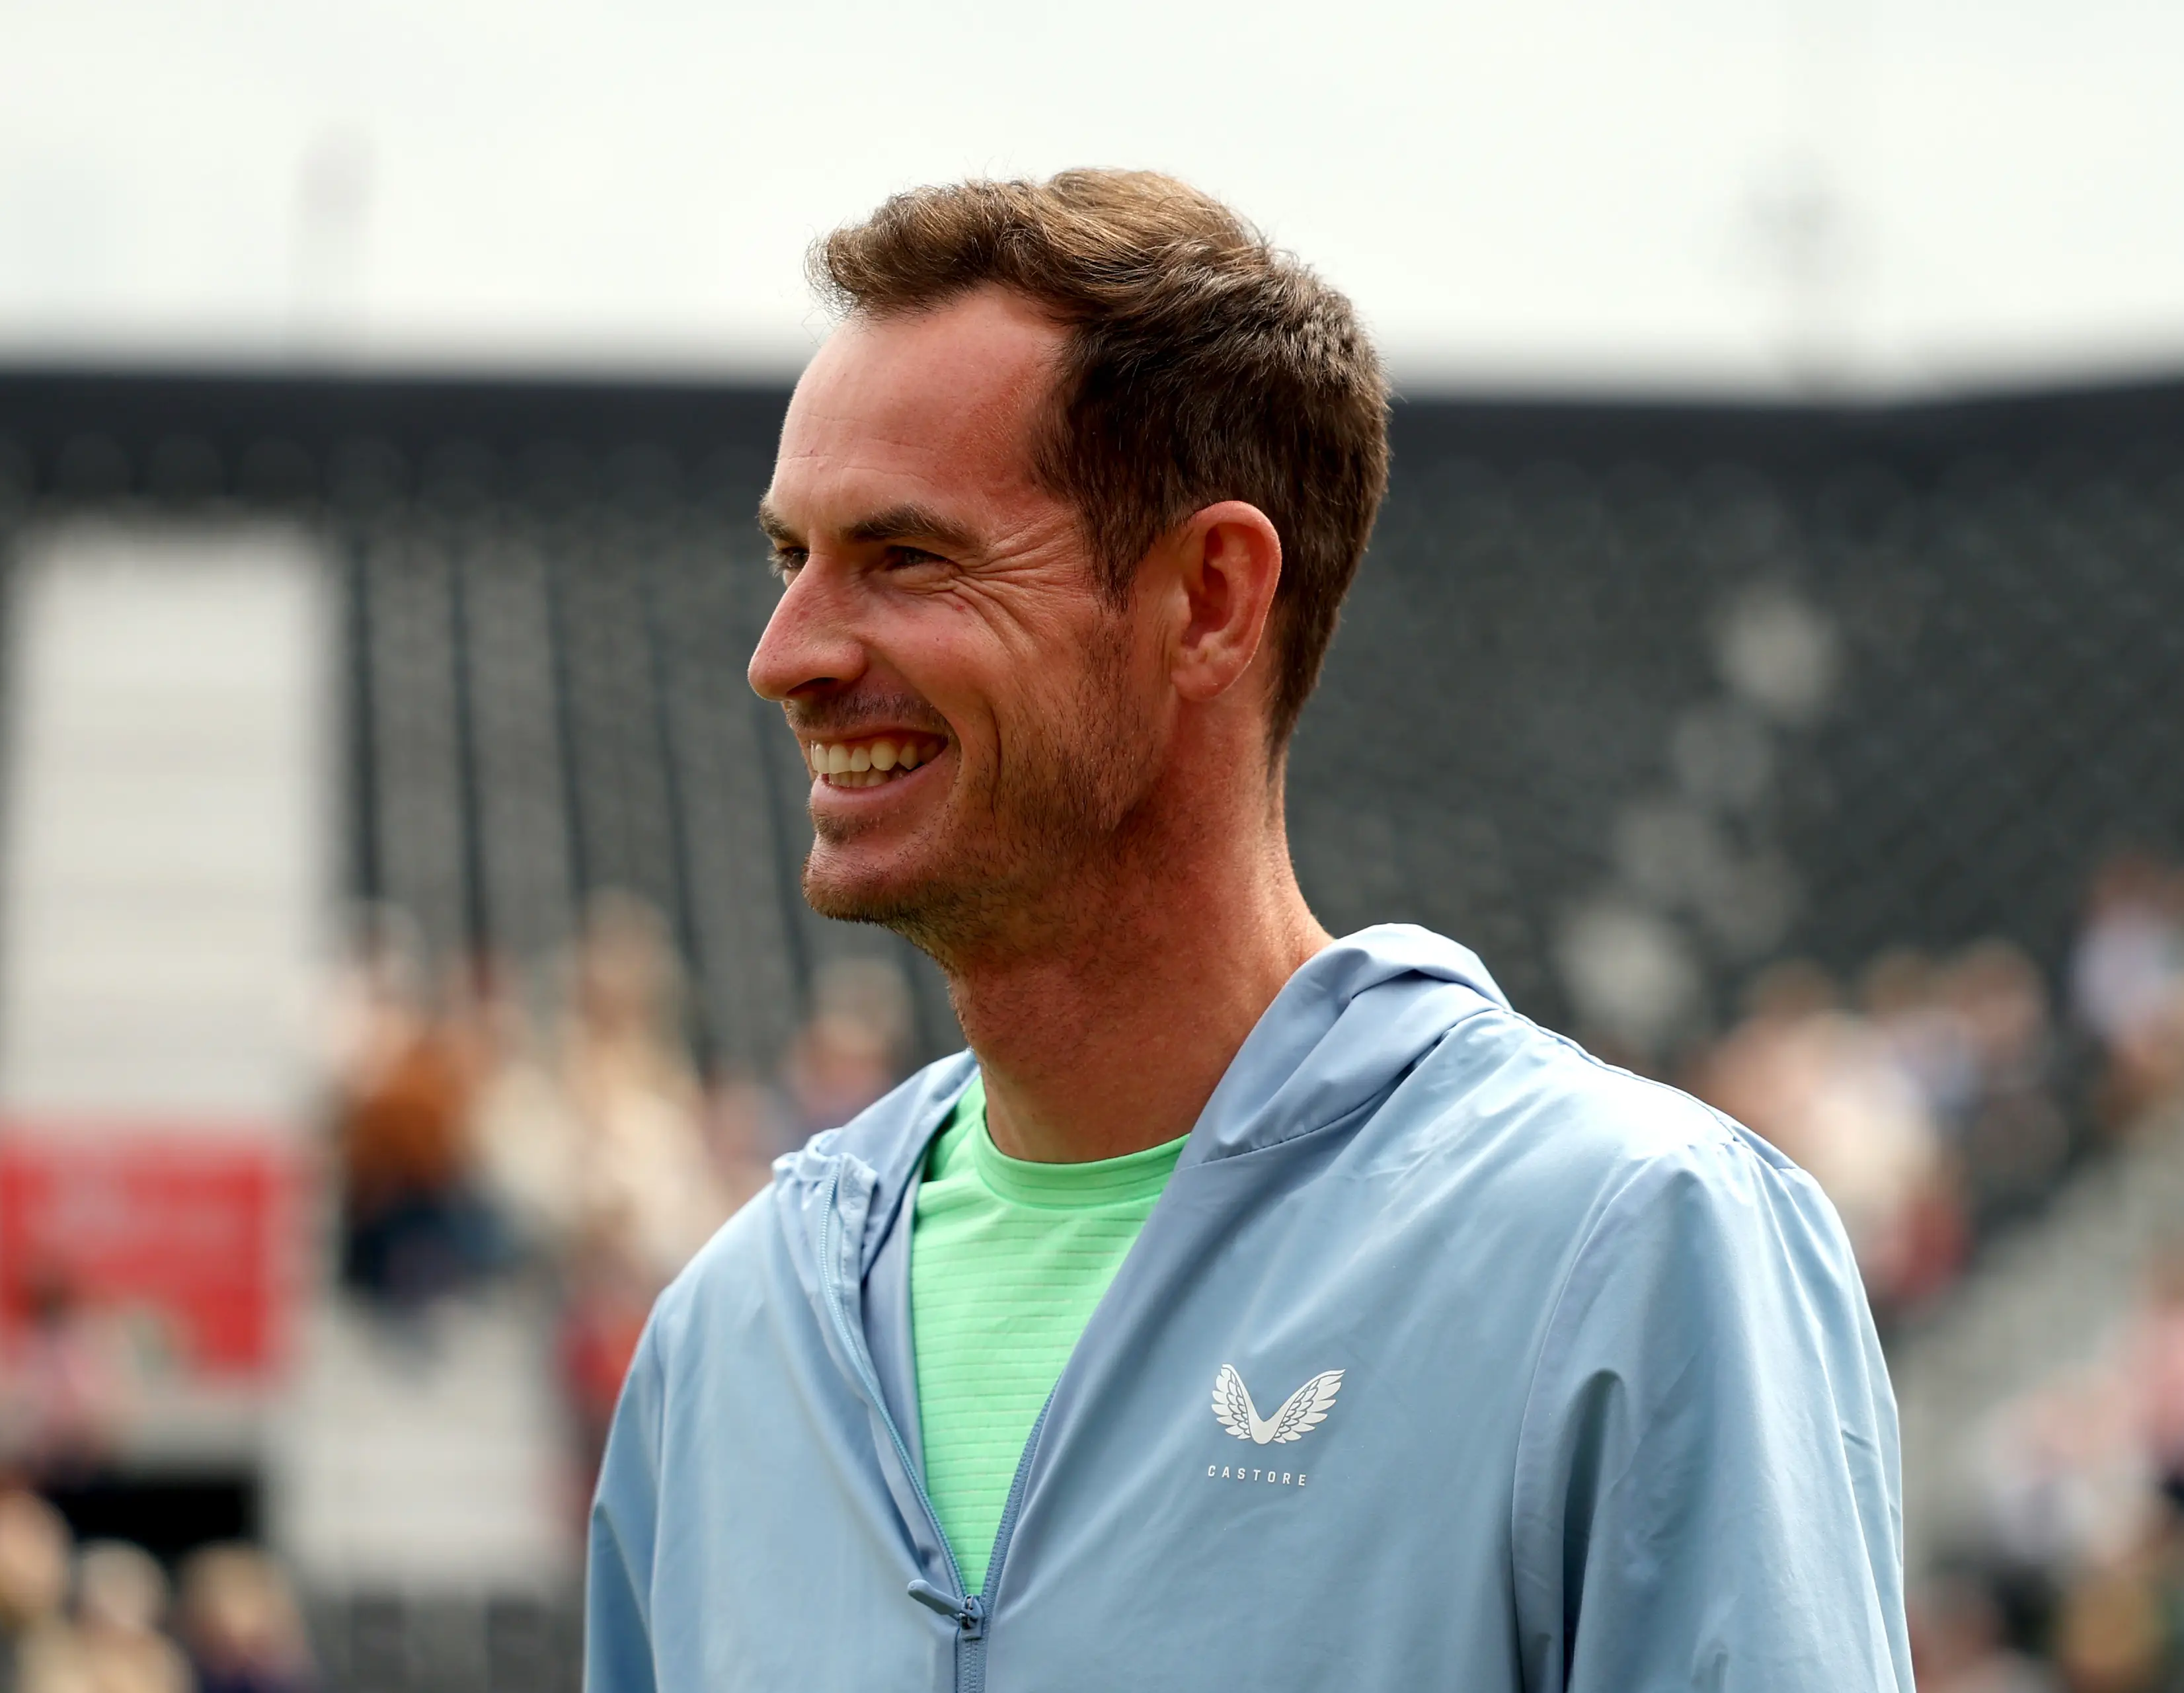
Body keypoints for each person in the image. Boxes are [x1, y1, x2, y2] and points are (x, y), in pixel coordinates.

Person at [583, 170, 1910, 1691]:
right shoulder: (725, 1340)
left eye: (907, 556)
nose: (786, 654)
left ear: (1211, 598)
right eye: (788, 557)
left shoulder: (1628, 1244)